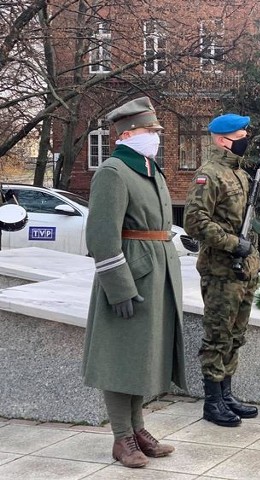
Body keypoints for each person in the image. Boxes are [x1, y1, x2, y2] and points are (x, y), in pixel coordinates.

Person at [82, 96, 186, 468]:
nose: (156, 136)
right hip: (130, 274)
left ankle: (138, 428)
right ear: (128, 134)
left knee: (142, 357)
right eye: (150, 130)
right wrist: (118, 286)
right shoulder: (113, 171)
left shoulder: (150, 169)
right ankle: (121, 436)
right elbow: (101, 236)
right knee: (120, 357)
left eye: (156, 130)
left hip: (156, 273)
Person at [183, 113, 260, 427]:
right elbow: (195, 222)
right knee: (218, 336)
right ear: (222, 139)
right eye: (241, 134)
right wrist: (232, 243)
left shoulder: (239, 173)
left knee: (236, 335)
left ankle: (226, 393)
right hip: (221, 270)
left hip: (244, 269)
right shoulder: (209, 174)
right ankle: (212, 402)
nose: (245, 139)